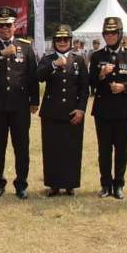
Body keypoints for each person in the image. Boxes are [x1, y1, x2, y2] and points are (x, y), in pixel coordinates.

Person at [0, 6, 39, 199]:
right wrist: (1, 54)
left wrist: (34, 100)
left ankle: (21, 184)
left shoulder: (25, 46)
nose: (5, 29)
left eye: (8, 25)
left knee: (21, 146)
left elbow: (32, 75)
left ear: (15, 26)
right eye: (1, 25)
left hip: (20, 105)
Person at [89, 17, 127, 200]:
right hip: (103, 110)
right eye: (106, 33)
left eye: (113, 32)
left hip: (124, 111)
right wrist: (101, 74)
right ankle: (105, 185)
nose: (110, 36)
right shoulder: (97, 56)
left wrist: (124, 87)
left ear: (120, 34)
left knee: (122, 149)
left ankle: (119, 184)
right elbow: (90, 82)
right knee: (104, 150)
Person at [37, 25, 89, 196]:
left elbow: (84, 88)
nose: (62, 42)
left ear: (71, 41)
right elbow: (38, 76)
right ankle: (53, 184)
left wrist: (81, 109)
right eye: (58, 39)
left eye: (65, 39)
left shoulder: (78, 60)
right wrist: (54, 64)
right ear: (54, 42)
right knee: (52, 149)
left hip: (72, 113)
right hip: (51, 112)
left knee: (71, 149)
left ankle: (70, 184)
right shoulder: (48, 59)